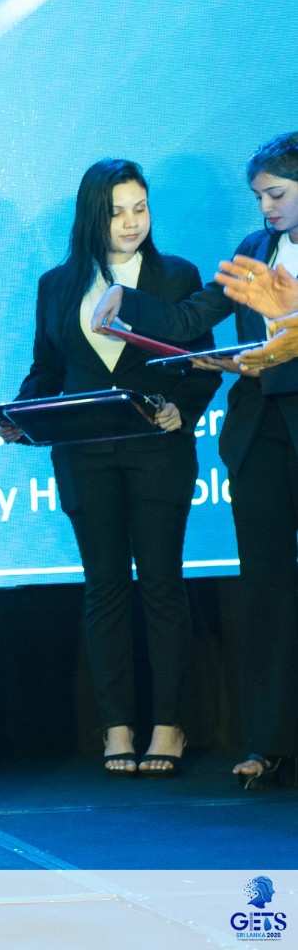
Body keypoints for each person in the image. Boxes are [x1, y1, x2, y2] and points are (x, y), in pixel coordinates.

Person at [0, 159, 219, 778]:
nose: (131, 222)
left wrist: (182, 409)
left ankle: (169, 724)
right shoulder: (57, 284)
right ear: (92, 215)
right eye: (117, 211)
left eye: (139, 208)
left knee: (163, 585)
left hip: (158, 454)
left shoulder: (177, 276)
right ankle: (116, 724)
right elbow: (47, 370)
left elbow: (200, 363)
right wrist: (22, 414)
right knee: (105, 588)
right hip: (85, 457)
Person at [90, 132, 298, 789]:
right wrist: (131, 306)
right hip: (260, 435)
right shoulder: (255, 249)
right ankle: (268, 742)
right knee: (265, 591)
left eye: (276, 194)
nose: (265, 208)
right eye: (259, 197)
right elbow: (191, 318)